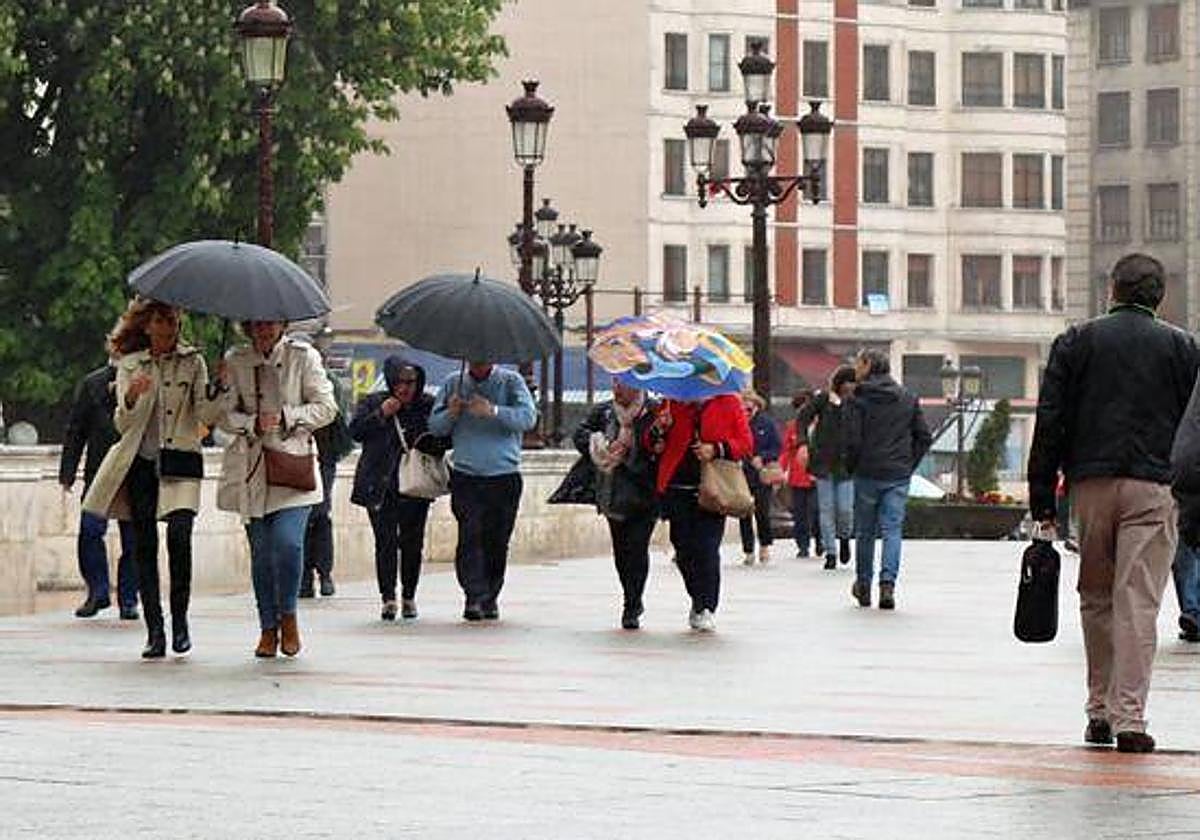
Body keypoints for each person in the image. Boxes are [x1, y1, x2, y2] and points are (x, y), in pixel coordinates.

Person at [1032, 253, 1200, 754]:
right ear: (1159, 296)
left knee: (1096, 594)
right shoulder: (1184, 348)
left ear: (1112, 290)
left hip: (1091, 483)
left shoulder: (1076, 342)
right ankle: (1130, 718)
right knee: (1139, 601)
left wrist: (1043, 492)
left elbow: (1051, 417)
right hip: (1155, 485)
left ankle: (1097, 710)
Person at [83, 299, 224, 658]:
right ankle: (155, 631)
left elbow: (206, 417)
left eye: (174, 320)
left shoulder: (194, 361)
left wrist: (218, 388)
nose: (169, 327)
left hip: (182, 461)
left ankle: (181, 624)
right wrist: (131, 395)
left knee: (180, 539)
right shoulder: (130, 365)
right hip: (142, 464)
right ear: (148, 326)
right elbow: (122, 423)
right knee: (144, 548)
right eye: (162, 321)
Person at [218, 321, 336, 658]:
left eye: (270, 322)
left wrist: (286, 416)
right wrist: (248, 421)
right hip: (252, 469)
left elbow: (327, 407)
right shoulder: (236, 359)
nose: (264, 329)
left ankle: (289, 617)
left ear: (282, 324)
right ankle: (267, 627)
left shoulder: (303, 357)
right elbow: (224, 415)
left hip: (292, 467)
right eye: (257, 323)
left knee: (287, 544)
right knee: (261, 554)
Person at [429, 360, 537, 622]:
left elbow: (528, 418)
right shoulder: (454, 382)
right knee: (470, 535)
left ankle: (491, 595)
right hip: (467, 474)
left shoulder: (511, 382)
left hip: (504, 475)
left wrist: (494, 410)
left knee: (497, 540)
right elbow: (435, 426)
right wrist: (451, 413)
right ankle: (473, 595)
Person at [349, 356, 445, 621]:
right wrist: (382, 414)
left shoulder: (426, 405)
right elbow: (355, 431)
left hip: (414, 485)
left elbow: (443, 440)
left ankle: (409, 595)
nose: (406, 388)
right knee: (385, 541)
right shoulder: (373, 401)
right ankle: (388, 597)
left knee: (412, 542)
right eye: (400, 382)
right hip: (380, 483)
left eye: (411, 382)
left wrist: (425, 438)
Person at [649, 392, 753, 632]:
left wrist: (716, 449)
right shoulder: (672, 402)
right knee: (683, 549)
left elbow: (745, 443)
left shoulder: (728, 402)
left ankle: (706, 605)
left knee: (707, 548)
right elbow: (653, 443)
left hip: (712, 488)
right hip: (677, 485)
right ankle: (697, 596)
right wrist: (659, 429)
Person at [844, 349, 932, 612]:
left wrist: (852, 466)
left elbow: (851, 439)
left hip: (867, 472)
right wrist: (907, 464)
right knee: (892, 530)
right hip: (897, 475)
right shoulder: (907, 398)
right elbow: (923, 437)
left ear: (868, 365)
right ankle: (887, 584)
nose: (855, 369)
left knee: (865, 532)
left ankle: (863, 584)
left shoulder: (858, 399)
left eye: (858, 364)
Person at [573, 378, 660, 629]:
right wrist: (599, 443)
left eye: (623, 384)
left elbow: (661, 447)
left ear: (637, 386)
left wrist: (640, 446)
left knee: (637, 546)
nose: (617, 389)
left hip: (644, 494)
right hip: (612, 491)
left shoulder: (654, 411)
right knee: (622, 550)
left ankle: (633, 602)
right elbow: (580, 434)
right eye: (615, 383)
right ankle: (629, 593)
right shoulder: (604, 411)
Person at [60, 363, 139, 620]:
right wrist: (68, 472)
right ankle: (97, 591)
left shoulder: (145, 380)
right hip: (99, 469)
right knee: (90, 531)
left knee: (134, 539)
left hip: (133, 469)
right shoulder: (92, 383)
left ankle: (129, 599)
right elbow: (76, 429)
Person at [300, 331, 354, 599]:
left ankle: (324, 572)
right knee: (300, 517)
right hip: (296, 457)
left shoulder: (331, 384)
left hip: (323, 457)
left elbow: (338, 418)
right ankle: (303, 576)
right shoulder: (290, 384)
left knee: (320, 513)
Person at [797, 366, 857, 571]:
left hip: (847, 464)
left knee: (845, 509)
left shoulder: (857, 402)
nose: (850, 388)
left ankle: (845, 537)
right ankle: (830, 551)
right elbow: (803, 417)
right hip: (823, 462)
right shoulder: (823, 399)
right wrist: (803, 444)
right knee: (826, 508)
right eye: (847, 383)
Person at [738, 392, 782, 566]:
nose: (745, 409)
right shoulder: (738, 421)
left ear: (756, 405)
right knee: (743, 511)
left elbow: (777, 447)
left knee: (762, 511)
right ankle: (748, 550)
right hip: (741, 473)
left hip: (761, 473)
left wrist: (762, 457)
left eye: (748, 405)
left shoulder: (766, 422)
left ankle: (764, 545)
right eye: (743, 405)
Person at [780, 393, 818, 560]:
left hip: (817, 475)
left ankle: (820, 540)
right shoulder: (792, 427)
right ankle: (802, 545)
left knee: (817, 511)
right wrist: (780, 469)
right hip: (797, 475)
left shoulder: (821, 425)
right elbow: (786, 450)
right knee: (800, 513)